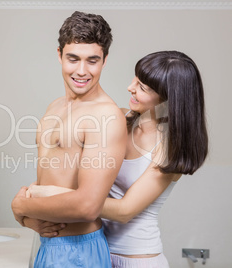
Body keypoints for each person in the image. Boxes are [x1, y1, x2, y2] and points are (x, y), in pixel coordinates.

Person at [14, 50, 208, 268]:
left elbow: (125, 211)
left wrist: (55, 194)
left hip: (137, 259)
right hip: (96, 248)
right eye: (136, 79)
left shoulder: (169, 148)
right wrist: (29, 215)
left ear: (169, 100)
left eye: (142, 87)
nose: (131, 87)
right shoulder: (118, 119)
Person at [11, 11, 127, 267]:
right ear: (59, 55)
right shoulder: (54, 107)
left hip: (79, 253)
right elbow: (53, 177)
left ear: (105, 61)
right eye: (73, 59)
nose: (82, 71)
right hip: (49, 247)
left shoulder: (107, 115)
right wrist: (27, 219)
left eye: (92, 60)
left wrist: (20, 207)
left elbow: (88, 206)